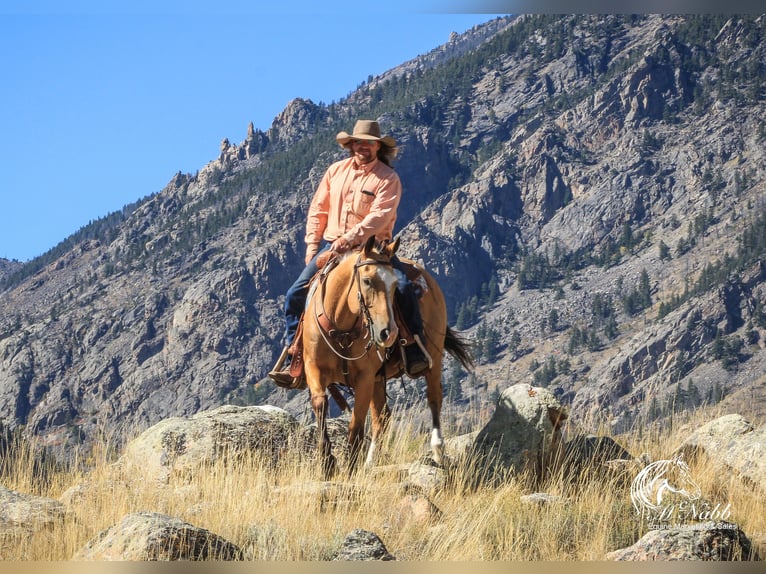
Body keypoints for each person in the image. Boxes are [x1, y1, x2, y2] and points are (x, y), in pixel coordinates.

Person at [268, 119, 432, 388]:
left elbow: (380, 216)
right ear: (351, 144)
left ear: (378, 147)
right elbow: (318, 210)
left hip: (374, 249)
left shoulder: (388, 178)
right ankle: (295, 353)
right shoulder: (335, 172)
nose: (362, 147)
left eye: (368, 143)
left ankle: (413, 346)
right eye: (358, 142)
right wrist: (312, 248)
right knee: (295, 294)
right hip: (332, 246)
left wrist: (351, 238)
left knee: (402, 288)